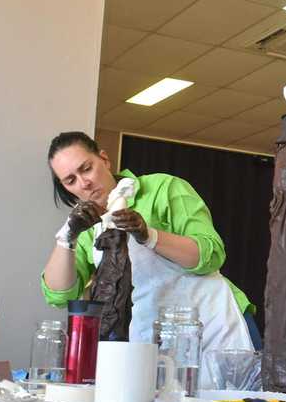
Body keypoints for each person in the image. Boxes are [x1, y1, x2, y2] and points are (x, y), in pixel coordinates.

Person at [41, 132, 256, 358]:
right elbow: (59, 296)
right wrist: (67, 237)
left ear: (104, 159)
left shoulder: (163, 189)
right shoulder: (87, 231)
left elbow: (210, 255)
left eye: (86, 168)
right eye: (71, 180)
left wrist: (150, 236)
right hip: (151, 341)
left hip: (213, 325)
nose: (85, 183)